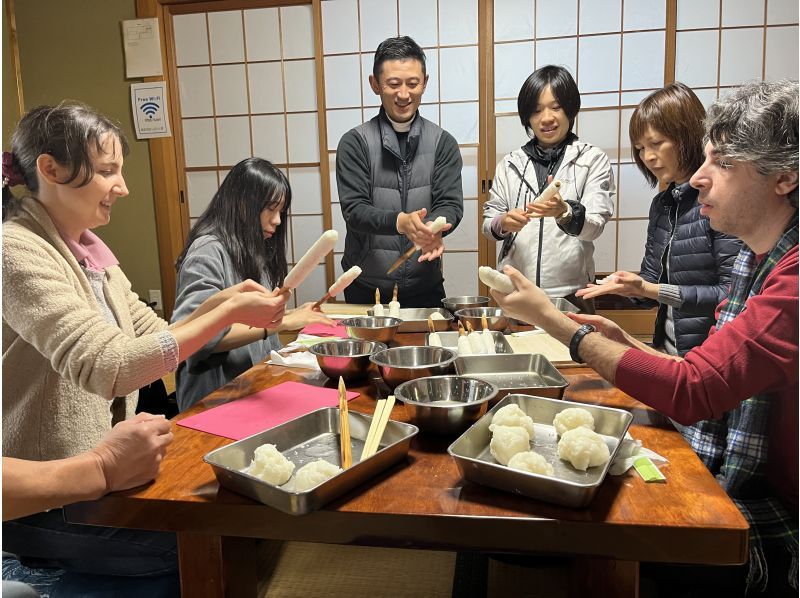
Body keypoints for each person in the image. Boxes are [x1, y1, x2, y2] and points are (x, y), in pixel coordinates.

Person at [491, 80, 798, 597]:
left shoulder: (791, 280)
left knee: (551, 525)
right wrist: (621, 339)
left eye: (721, 163)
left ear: (785, 177)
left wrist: (556, 323)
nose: (696, 178)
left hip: (769, 516)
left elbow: (696, 388)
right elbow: (701, 369)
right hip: (711, 432)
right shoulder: (755, 257)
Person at [2, 101, 287, 589]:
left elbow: (150, 334)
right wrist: (225, 314)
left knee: (242, 517)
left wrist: (219, 303)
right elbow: (111, 366)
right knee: (203, 543)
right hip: (45, 496)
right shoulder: (16, 250)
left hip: (110, 469)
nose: (123, 187)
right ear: (50, 169)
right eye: (109, 171)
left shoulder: (89, 248)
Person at [575, 82, 741, 354]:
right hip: (665, 348)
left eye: (656, 143)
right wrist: (629, 287)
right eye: (640, 148)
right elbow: (651, 281)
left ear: (686, 135)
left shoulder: (718, 200)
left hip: (709, 356)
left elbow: (732, 295)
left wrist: (651, 290)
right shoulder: (662, 204)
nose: (648, 157)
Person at [172, 157, 335, 411]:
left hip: (253, 387)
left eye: (281, 211)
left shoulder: (254, 248)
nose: (278, 220)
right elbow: (198, 338)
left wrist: (293, 314)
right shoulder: (207, 251)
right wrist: (281, 323)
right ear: (241, 204)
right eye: (270, 209)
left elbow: (250, 317)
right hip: (214, 399)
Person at [336, 35, 463, 308]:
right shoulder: (354, 142)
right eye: (393, 84)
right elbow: (354, 210)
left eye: (413, 83)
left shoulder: (443, 142)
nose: (404, 94)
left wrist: (434, 227)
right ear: (375, 84)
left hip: (425, 285)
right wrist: (400, 222)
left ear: (425, 83)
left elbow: (450, 204)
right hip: (366, 288)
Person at [482, 65, 615, 313]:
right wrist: (503, 222)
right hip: (516, 290)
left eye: (555, 107)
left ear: (570, 109)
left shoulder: (591, 159)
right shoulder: (511, 163)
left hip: (573, 293)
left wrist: (565, 212)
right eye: (536, 110)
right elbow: (488, 224)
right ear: (527, 117)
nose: (546, 118)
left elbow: (595, 225)